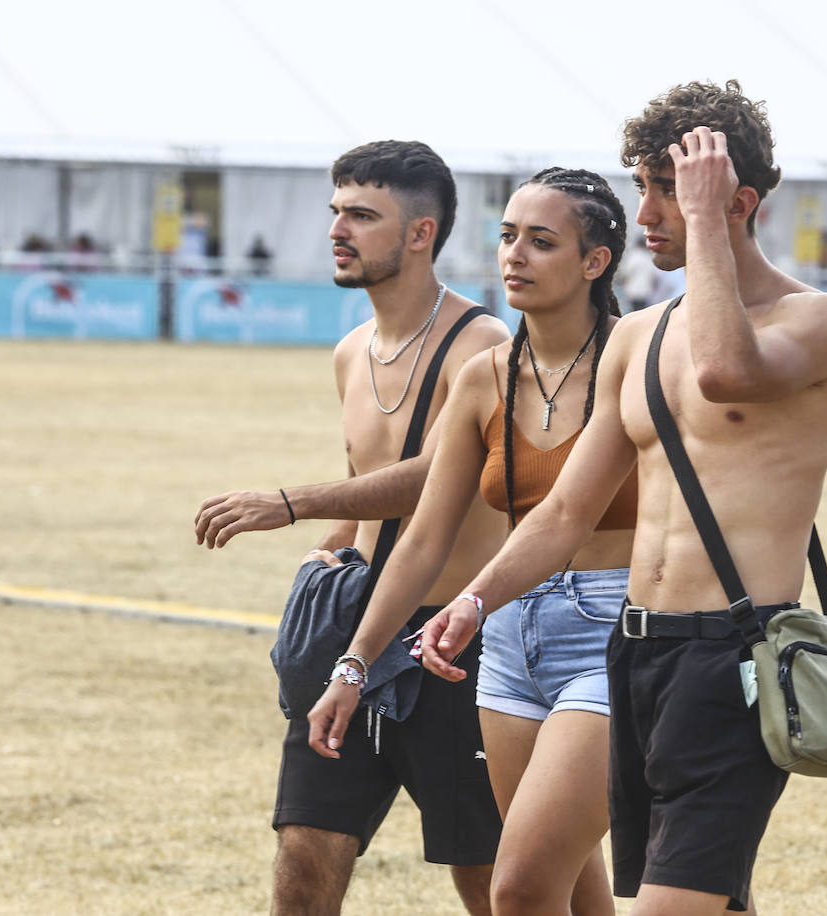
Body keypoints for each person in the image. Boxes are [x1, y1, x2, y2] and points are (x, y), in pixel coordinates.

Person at [413, 80, 827, 916]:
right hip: (634, 654)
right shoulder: (640, 337)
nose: (645, 211)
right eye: (643, 185)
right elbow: (565, 512)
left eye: (669, 188)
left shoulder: (817, 320)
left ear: (739, 199)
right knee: (594, 894)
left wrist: (711, 225)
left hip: (732, 658)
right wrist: (476, 599)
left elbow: (729, 370)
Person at [192, 140, 508, 916]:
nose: (339, 228)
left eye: (363, 216)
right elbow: (370, 482)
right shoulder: (349, 352)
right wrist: (327, 548)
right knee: (303, 859)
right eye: (337, 211)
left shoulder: (485, 347)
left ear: (420, 233)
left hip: (454, 647)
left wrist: (289, 502)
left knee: (491, 879)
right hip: (357, 639)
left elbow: (445, 476)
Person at [308, 167, 635, 915]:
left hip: (613, 632)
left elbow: (573, 517)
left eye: (542, 242)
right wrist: (353, 666)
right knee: (560, 887)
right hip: (507, 636)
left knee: (515, 885)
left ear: (596, 262)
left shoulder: (638, 360)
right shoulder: (487, 377)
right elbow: (421, 538)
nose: (514, 255)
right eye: (508, 236)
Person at [619, 233, 658, 312]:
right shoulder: (648, 258)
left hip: (633, 291)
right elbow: (654, 276)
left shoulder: (634, 256)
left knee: (632, 312)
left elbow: (627, 273)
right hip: (645, 292)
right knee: (642, 312)